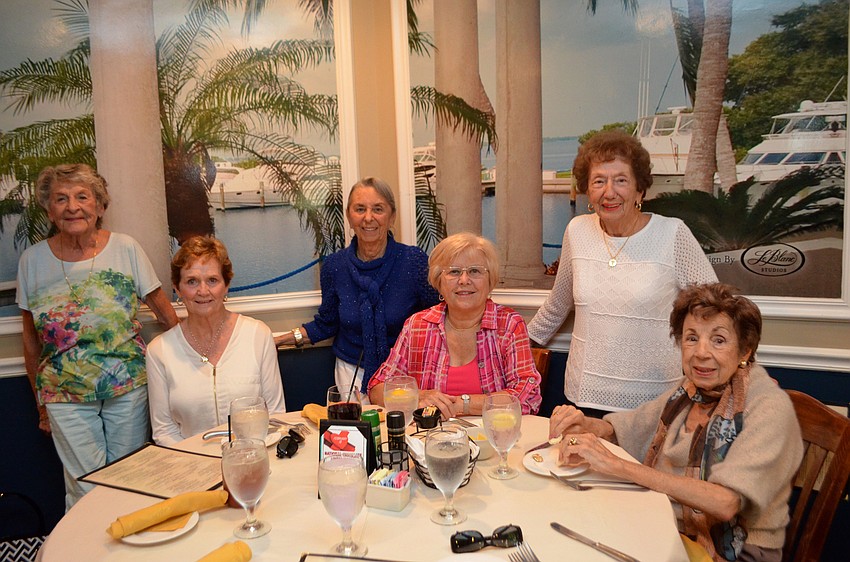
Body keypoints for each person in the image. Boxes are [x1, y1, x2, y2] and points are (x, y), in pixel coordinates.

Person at [549, 284, 803, 561]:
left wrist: (619, 466)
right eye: (691, 338)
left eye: (718, 340)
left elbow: (725, 502)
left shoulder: (767, 406)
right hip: (665, 526)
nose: (701, 353)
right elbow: (629, 427)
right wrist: (586, 425)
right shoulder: (689, 391)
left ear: (745, 350)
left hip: (733, 551)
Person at [17, 163, 178, 509]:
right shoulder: (32, 261)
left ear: (100, 206)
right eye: (61, 198)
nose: (72, 206)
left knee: (131, 478)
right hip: (64, 395)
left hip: (128, 388)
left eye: (82, 197)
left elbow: (165, 312)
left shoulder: (126, 248)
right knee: (84, 487)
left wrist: (189, 369)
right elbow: (30, 340)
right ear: (49, 209)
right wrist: (40, 404)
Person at [528, 130, 717, 415]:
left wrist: (740, 368)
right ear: (587, 190)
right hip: (584, 396)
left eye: (621, 180)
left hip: (655, 403)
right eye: (599, 181)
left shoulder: (672, 233)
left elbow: (716, 309)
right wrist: (510, 346)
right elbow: (558, 305)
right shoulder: (577, 231)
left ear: (640, 189)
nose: (609, 192)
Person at [275, 177, 439, 396]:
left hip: (406, 374)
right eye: (360, 209)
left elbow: (438, 316)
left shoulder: (413, 261)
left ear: (392, 216)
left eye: (378, 209)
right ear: (349, 217)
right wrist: (276, 341)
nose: (368, 218)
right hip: (350, 375)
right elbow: (327, 324)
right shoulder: (334, 266)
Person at [368, 232, 542, 416]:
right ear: (439, 282)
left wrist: (461, 404)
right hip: (429, 438)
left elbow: (528, 397)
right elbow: (377, 390)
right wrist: (418, 396)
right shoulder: (417, 325)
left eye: (475, 271)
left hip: (492, 438)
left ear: (490, 281)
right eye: (454, 271)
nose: (464, 280)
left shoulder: (509, 325)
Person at [147, 236, 286, 445]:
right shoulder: (159, 351)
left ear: (226, 285)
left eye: (212, 280)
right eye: (192, 281)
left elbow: (275, 415)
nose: (203, 291)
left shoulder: (258, 335)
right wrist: (197, 463)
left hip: (253, 459)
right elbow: (164, 431)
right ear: (177, 289)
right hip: (191, 466)